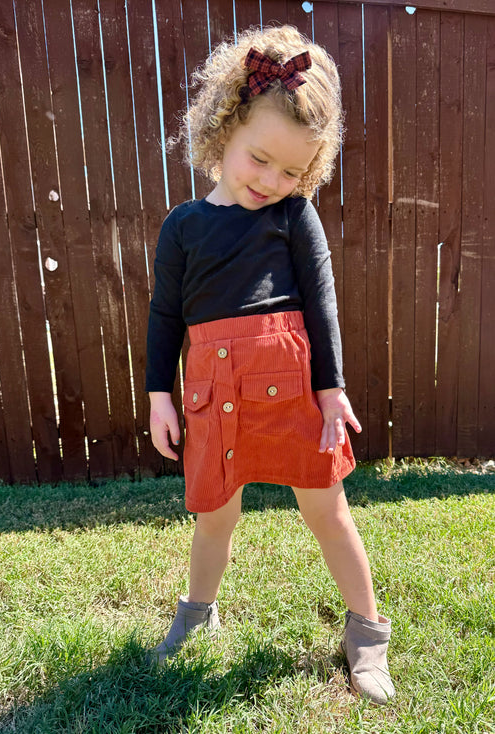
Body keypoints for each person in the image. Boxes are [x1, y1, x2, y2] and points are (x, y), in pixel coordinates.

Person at [145, 25, 395, 705]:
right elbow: (165, 317)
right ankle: (196, 615)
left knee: (328, 511)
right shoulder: (183, 226)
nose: (272, 180)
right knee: (214, 517)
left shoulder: (293, 216)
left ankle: (366, 632)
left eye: (292, 170)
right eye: (261, 159)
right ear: (224, 126)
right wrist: (157, 396)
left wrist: (330, 390)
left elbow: (322, 306)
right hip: (208, 392)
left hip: (290, 393)